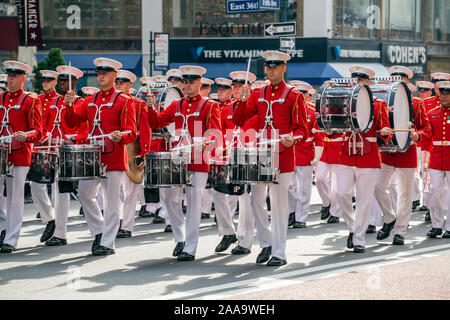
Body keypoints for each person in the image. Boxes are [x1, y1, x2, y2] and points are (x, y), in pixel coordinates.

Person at [233, 50, 308, 266]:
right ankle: (266, 242)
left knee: (279, 205)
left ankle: (279, 252)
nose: (270, 70)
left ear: (283, 68)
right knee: (255, 198)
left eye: (275, 67)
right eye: (268, 67)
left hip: (282, 156)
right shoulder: (258, 93)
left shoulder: (294, 95)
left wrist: (293, 139)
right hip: (261, 155)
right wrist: (241, 100)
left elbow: (302, 129)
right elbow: (239, 120)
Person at [146, 65, 222, 261]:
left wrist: (203, 144)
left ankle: (190, 247)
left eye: (191, 82)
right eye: (185, 82)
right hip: (178, 158)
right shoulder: (177, 105)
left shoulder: (209, 105)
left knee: (194, 204)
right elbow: (157, 122)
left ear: (199, 83)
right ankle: (180, 238)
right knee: (171, 198)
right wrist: (150, 107)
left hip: (198, 159)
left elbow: (215, 134)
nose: (187, 85)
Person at [64, 57, 137, 256]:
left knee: (112, 201)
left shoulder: (124, 100)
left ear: (114, 76)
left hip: (113, 156)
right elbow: (72, 121)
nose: (101, 76)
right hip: (93, 156)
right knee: (84, 193)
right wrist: (69, 105)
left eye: (105, 73)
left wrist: (121, 134)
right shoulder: (90, 99)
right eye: (99, 73)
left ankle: (107, 243)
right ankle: (98, 231)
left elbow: (132, 130)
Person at [336, 65, 392, 253]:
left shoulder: (379, 104)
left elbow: (386, 133)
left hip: (367, 155)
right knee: (342, 193)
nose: (357, 83)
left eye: (361, 81)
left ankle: (359, 238)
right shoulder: (344, 102)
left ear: (368, 83)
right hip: (346, 152)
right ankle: (353, 228)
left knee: (364, 199)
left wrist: (385, 132)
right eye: (355, 80)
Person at [374, 66, 432, 245]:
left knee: (405, 194)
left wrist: (418, 135)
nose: (398, 83)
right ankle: (390, 217)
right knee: (377, 187)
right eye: (394, 79)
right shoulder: (382, 101)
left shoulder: (416, 103)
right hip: (387, 152)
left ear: (408, 83)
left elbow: (426, 128)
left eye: (402, 80)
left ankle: (401, 231)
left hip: (407, 151)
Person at [0, 61, 43, 253]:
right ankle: (3, 229)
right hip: (2, 153)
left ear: (23, 79)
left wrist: (26, 135)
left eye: (14, 77)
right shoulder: (1, 99)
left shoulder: (30, 100)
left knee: (15, 198)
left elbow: (38, 130)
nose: (10, 80)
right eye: (8, 76)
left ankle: (11, 238)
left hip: (19, 154)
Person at [43, 65, 88, 246]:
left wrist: (74, 139)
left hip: (68, 151)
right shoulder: (53, 102)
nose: (62, 84)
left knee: (62, 191)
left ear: (74, 83)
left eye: (66, 81)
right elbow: (45, 125)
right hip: (49, 148)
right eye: (60, 81)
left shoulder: (80, 103)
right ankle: (50, 219)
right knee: (38, 186)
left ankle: (60, 233)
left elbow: (84, 129)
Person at [114, 70, 152, 239]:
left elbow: (145, 130)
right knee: (114, 192)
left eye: (121, 83)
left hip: (132, 150)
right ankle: (114, 223)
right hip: (114, 150)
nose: (118, 86)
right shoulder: (110, 102)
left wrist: (144, 153)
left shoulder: (137, 103)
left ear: (130, 85)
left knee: (130, 192)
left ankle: (127, 225)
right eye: (116, 83)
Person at [289, 81, 324, 228]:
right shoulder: (288, 109)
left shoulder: (312, 112)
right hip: (290, 152)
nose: (299, 97)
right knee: (288, 186)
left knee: (304, 188)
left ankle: (301, 217)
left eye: (301, 94)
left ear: (306, 95)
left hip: (305, 152)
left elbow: (319, 137)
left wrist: (317, 156)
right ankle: (291, 211)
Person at [31, 70, 60, 243]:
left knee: (56, 188)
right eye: (44, 80)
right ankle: (50, 218)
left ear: (55, 82)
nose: (46, 83)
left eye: (49, 80)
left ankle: (57, 224)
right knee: (36, 185)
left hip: (53, 146)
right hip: (37, 146)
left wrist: (47, 135)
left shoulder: (59, 100)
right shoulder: (38, 100)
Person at [426, 80, 450, 238]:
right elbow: (427, 134)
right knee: (435, 192)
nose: (444, 98)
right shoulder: (432, 113)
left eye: (447, 95)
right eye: (442, 94)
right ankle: (436, 225)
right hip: (436, 157)